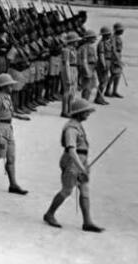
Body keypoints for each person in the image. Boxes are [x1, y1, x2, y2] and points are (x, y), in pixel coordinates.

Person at [43, 96, 103, 232]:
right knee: (67, 190)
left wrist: (84, 166)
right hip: (73, 162)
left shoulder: (77, 125)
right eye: (86, 112)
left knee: (85, 190)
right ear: (80, 112)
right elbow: (71, 150)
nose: (88, 114)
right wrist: (82, 168)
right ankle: (49, 214)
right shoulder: (71, 128)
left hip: (81, 161)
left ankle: (87, 221)